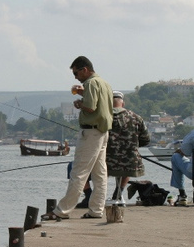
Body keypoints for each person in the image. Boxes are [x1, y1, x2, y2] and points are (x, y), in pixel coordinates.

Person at [43, 56, 114, 220]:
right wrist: (84, 93)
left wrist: (79, 104)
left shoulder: (90, 83)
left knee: (79, 172)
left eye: (76, 73)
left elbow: (90, 107)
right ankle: (96, 210)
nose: (75, 77)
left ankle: (62, 210)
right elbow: (100, 102)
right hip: (103, 132)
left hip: (90, 133)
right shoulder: (104, 83)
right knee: (100, 173)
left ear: (85, 70)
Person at [106, 91, 150, 203]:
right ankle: (118, 193)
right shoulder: (136, 117)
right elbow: (146, 139)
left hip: (107, 160)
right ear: (123, 103)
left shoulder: (103, 117)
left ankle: (95, 196)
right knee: (127, 163)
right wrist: (132, 146)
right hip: (130, 161)